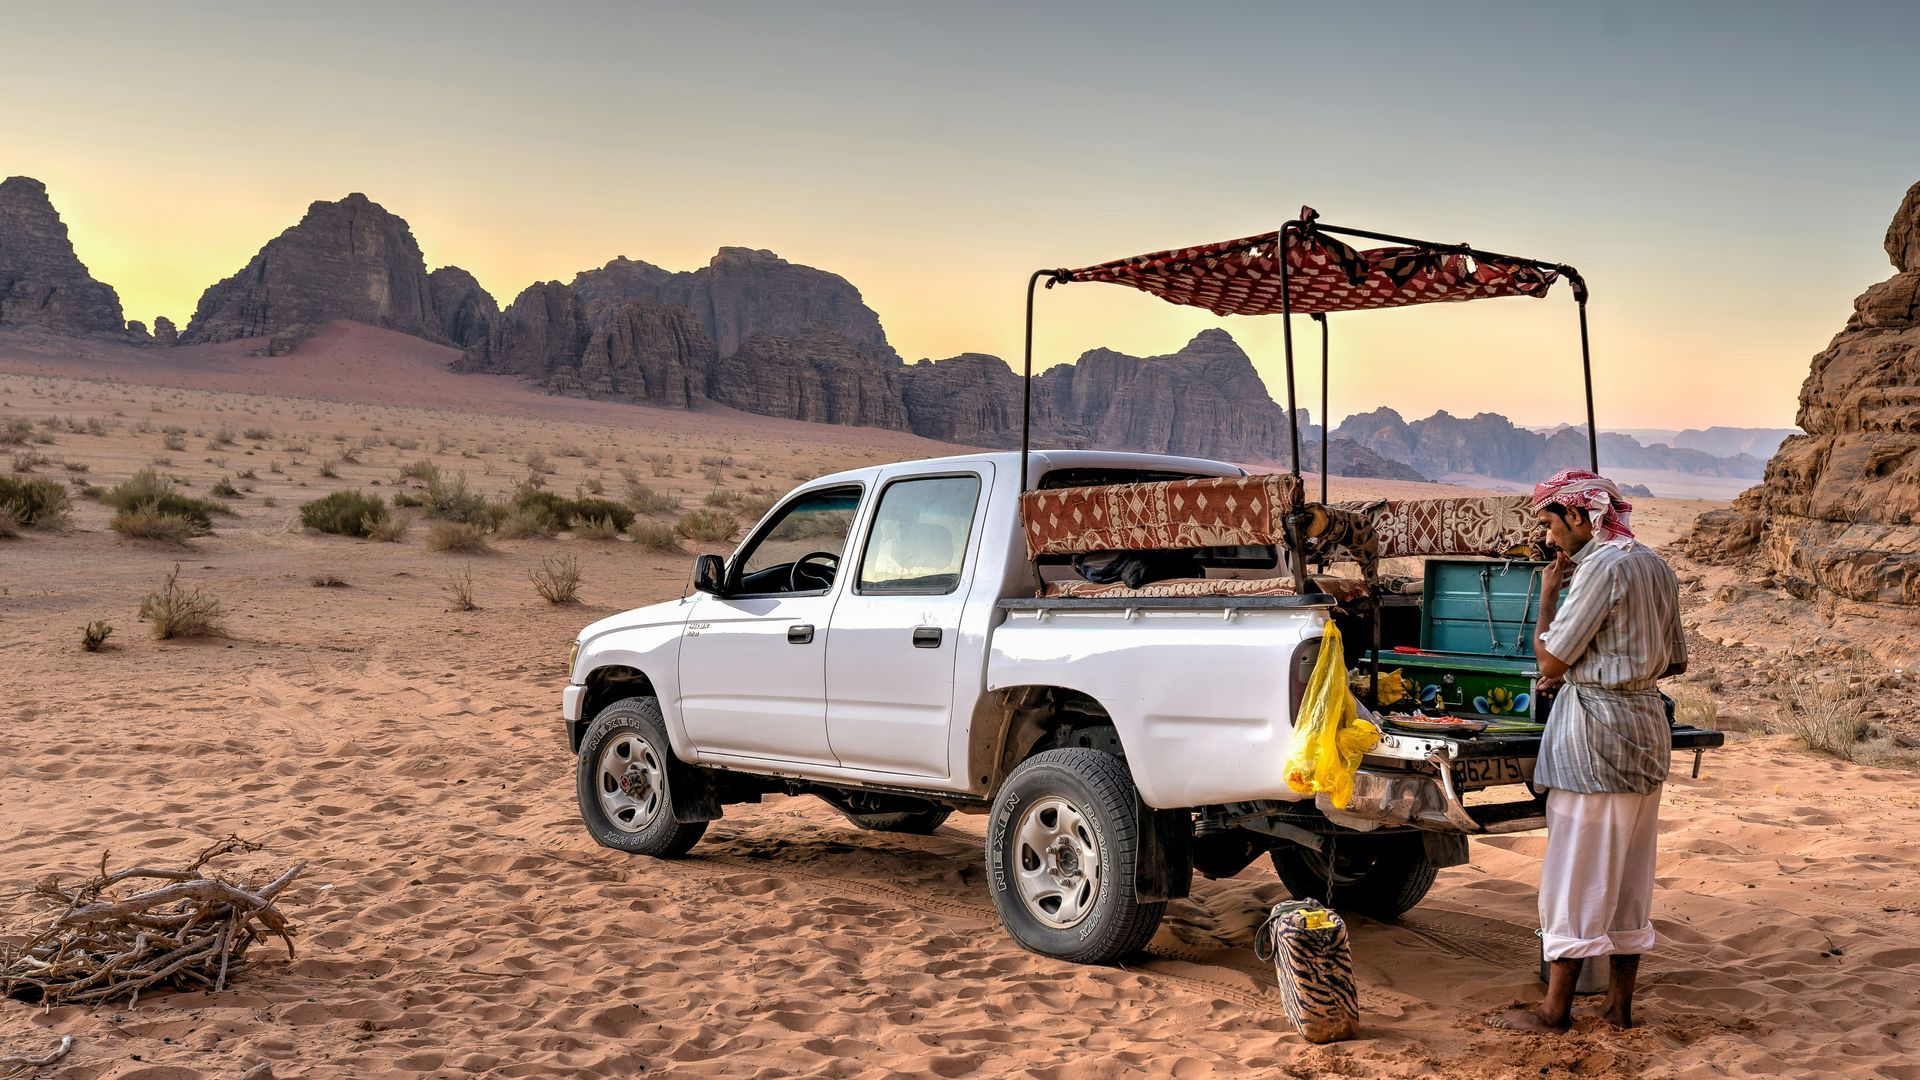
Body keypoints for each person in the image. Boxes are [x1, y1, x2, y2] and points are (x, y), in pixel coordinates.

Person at [1488, 470, 1686, 1035]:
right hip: (1646, 727)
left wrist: (1549, 596)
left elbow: (1549, 662)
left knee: (1575, 873)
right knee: (1629, 877)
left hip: (1595, 734)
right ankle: (1619, 1007)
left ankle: (1555, 1012)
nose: (1549, 538)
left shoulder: (1602, 565)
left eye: (1550, 523)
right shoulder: (1654, 563)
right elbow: (1675, 662)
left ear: (1578, 515)